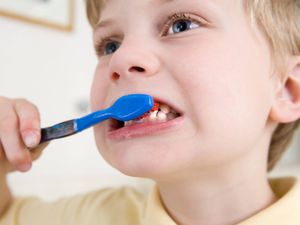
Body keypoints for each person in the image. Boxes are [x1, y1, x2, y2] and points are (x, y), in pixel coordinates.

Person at [1, 0, 300, 224]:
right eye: (110, 45)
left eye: (182, 25)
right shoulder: (94, 216)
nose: (121, 58)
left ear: (286, 89)